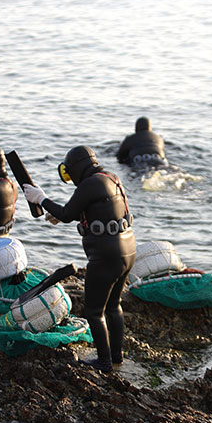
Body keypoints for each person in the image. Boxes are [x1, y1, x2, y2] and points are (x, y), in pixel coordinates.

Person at [21, 146, 136, 373]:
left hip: (106, 256)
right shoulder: (110, 178)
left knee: (94, 311)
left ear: (74, 168)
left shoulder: (90, 184)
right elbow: (87, 211)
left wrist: (41, 198)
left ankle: (103, 362)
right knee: (114, 306)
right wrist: (59, 214)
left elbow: (66, 214)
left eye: (68, 172)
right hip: (128, 249)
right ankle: (116, 355)